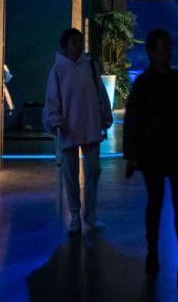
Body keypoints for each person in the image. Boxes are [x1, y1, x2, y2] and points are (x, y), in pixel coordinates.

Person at [123, 28, 178, 278]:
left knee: (171, 204)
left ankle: (174, 258)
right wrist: (132, 155)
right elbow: (133, 121)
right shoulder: (173, 82)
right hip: (159, 154)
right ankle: (161, 255)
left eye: (169, 46)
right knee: (163, 203)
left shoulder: (159, 82)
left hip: (169, 153)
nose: (167, 51)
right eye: (163, 47)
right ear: (151, 51)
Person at [44, 27, 114, 234]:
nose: (78, 45)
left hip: (90, 126)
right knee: (70, 175)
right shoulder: (58, 70)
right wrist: (54, 120)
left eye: (80, 41)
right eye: (74, 41)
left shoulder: (90, 66)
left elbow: (100, 92)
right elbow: (52, 98)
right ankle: (75, 215)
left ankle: (90, 214)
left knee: (93, 172)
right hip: (68, 129)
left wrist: (105, 116)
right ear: (65, 45)